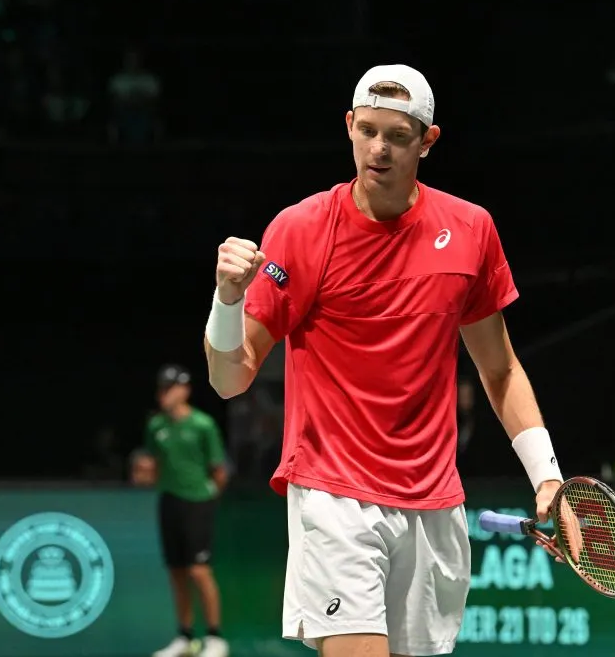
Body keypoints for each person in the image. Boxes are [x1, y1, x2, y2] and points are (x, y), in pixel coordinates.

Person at [203, 64, 566, 657]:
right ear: (349, 126)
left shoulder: (471, 230)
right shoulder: (300, 231)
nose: (379, 149)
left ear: (428, 140)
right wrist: (226, 300)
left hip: (433, 499)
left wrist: (546, 474)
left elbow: (498, 370)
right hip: (334, 491)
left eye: (398, 136)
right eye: (367, 130)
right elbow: (229, 377)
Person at [132, 364, 230, 657]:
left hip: (198, 502)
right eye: (161, 388)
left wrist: (210, 496)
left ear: (184, 390)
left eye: (170, 388)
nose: (164, 394)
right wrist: (143, 474)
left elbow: (219, 470)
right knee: (176, 572)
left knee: (199, 571)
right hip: (169, 501)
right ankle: (185, 637)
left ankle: (215, 638)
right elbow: (151, 466)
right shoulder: (156, 427)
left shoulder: (203, 425)